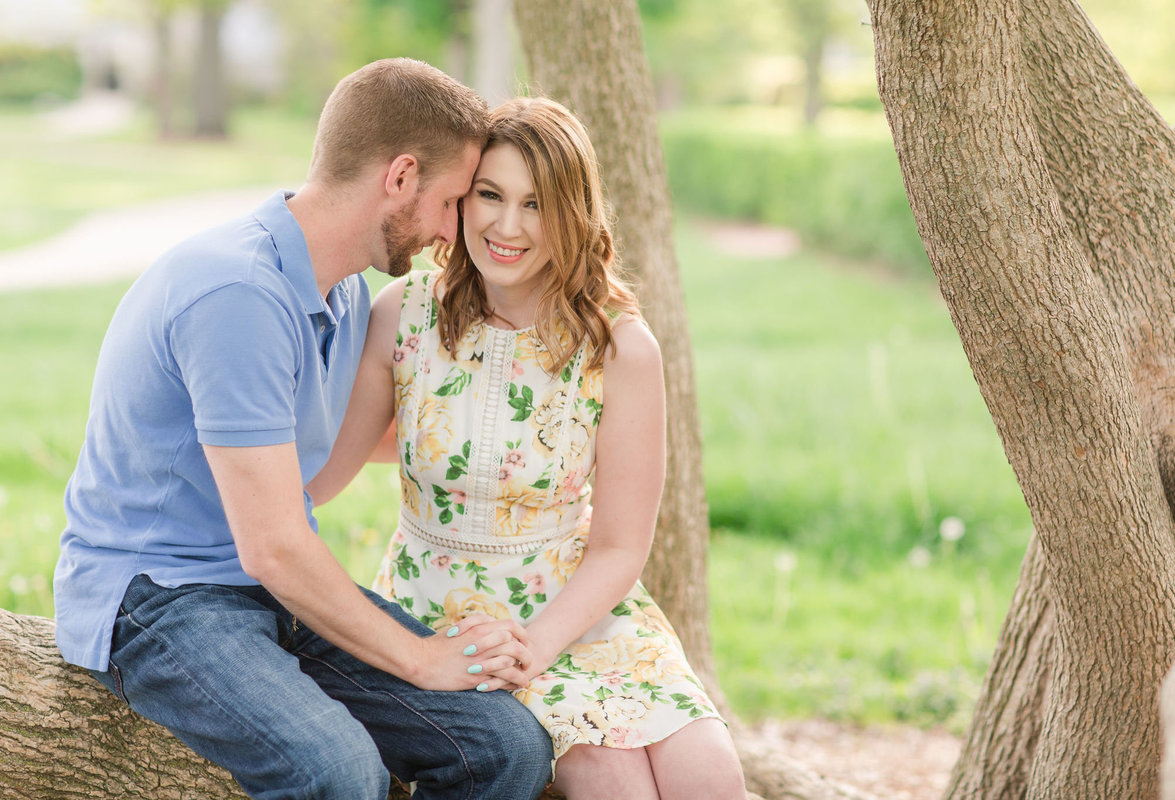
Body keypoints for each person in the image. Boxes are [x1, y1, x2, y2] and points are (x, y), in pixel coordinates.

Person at [53, 58, 553, 800]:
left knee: (505, 746)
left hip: (266, 590)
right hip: (157, 593)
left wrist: (544, 450)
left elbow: (350, 445)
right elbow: (276, 543)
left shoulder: (343, 289)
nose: (455, 234)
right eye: (452, 202)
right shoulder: (235, 293)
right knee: (336, 772)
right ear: (400, 176)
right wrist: (422, 660)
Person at [309, 96, 746, 799]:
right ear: (462, 198)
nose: (506, 226)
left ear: (572, 214)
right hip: (441, 609)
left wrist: (538, 645)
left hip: (576, 609)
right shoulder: (404, 315)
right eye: (490, 195)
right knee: (612, 780)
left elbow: (619, 547)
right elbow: (325, 469)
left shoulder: (620, 347)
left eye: (535, 204)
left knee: (710, 773)